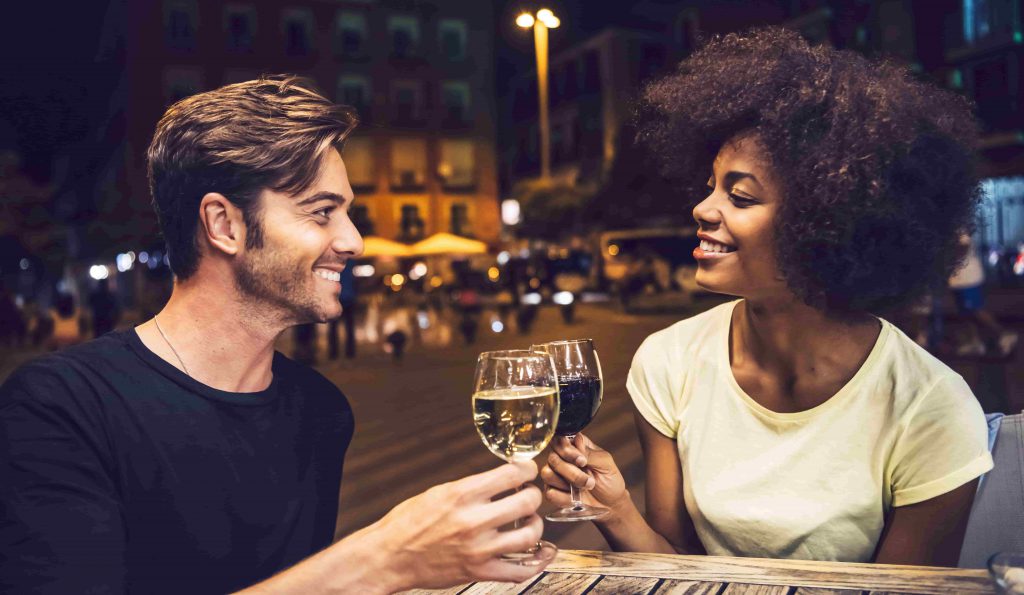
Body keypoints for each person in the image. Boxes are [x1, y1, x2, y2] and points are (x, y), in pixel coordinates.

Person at [0, 76, 549, 594]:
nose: (354, 241)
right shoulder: (61, 407)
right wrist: (381, 559)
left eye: (347, 213)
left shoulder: (320, 412)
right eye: (321, 212)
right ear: (224, 225)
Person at [542, 29, 993, 567]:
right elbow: (676, 567)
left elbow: (908, 587)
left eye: (739, 196)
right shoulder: (668, 362)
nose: (703, 209)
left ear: (825, 223)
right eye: (710, 186)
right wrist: (613, 510)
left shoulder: (931, 406)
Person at [947, 233, 1018, 357]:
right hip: (957, 279)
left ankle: (1004, 334)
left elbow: (963, 248)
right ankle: (973, 341)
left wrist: (944, 254)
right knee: (964, 313)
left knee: (976, 310)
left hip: (967, 278)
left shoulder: (960, 227)